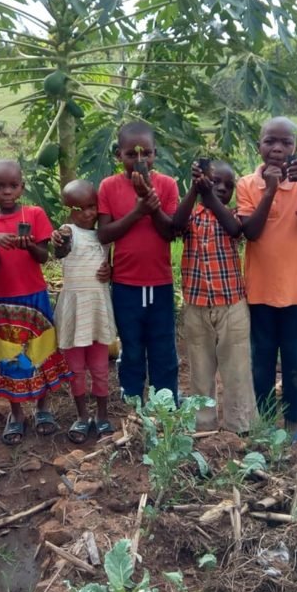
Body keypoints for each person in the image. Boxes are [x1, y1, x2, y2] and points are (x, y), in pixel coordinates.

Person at [237, 117, 297, 445]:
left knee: (294, 360)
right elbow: (251, 232)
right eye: (270, 142)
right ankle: (263, 421)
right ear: (258, 146)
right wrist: (271, 190)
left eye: (286, 143)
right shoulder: (247, 183)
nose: (277, 149)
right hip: (259, 291)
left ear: (296, 148)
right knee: (260, 361)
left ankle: (293, 422)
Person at [0, 159, 71, 446]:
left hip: (35, 296)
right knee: (10, 355)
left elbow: (44, 257)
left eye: (13, 186)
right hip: (5, 300)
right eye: (0, 186)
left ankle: (42, 408)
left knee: (39, 351)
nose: (7, 191)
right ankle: (16, 414)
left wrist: (29, 243)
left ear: (22, 187)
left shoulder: (35, 214)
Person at [97, 122, 180, 401]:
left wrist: (150, 204)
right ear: (119, 155)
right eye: (132, 154)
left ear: (155, 154)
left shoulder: (167, 185)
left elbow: (170, 232)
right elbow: (104, 233)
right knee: (131, 346)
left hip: (160, 282)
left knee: (163, 346)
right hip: (125, 284)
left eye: (146, 154)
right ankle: (132, 399)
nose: (140, 160)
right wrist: (137, 211)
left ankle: (165, 401)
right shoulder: (109, 187)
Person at [173, 159, 257, 433]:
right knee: (200, 368)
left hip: (232, 305)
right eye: (215, 182)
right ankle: (203, 424)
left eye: (228, 185)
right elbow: (175, 225)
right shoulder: (192, 215)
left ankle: (240, 424)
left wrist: (209, 196)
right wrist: (194, 191)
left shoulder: (232, 214)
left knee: (237, 369)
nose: (222, 188)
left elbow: (235, 230)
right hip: (196, 306)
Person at [51, 179, 116, 443]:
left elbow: (108, 267)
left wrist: (109, 271)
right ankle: (81, 416)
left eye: (92, 206)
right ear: (69, 210)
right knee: (75, 369)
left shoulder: (104, 234)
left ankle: (102, 415)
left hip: (98, 309)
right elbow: (60, 250)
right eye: (80, 208)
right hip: (74, 310)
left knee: (100, 368)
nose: (88, 213)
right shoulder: (67, 232)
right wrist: (59, 241)